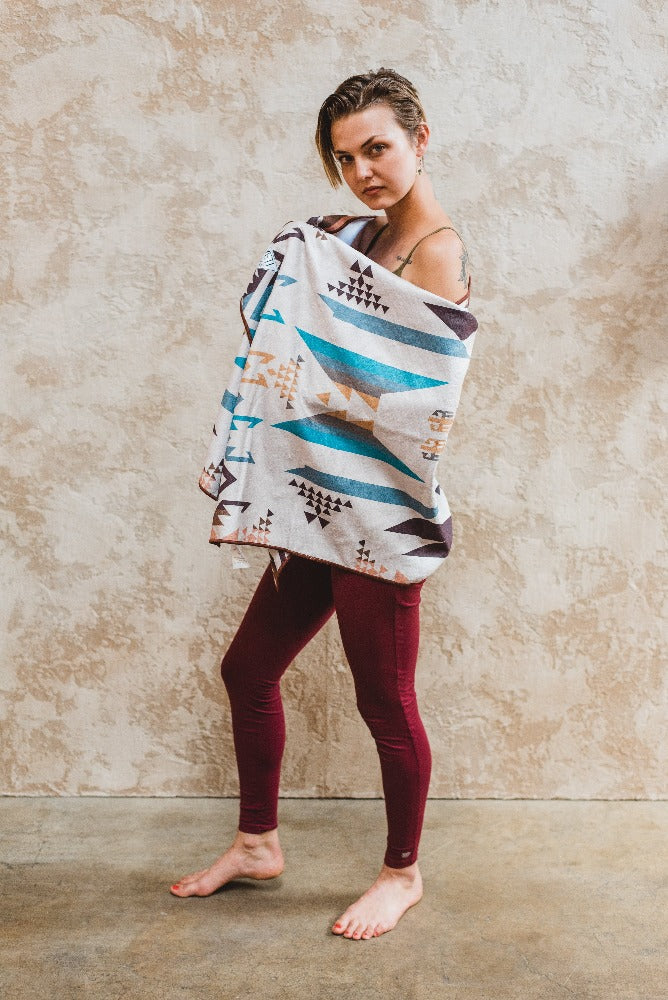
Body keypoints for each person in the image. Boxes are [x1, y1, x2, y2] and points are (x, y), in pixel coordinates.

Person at [170, 69, 475, 941]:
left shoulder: (436, 251)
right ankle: (257, 844)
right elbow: (302, 342)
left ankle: (402, 874)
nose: (362, 172)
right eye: (345, 159)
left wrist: (312, 357)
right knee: (247, 671)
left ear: (420, 138)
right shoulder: (353, 239)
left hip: (378, 518)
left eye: (377, 148)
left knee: (386, 703)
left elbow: (411, 402)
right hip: (317, 509)